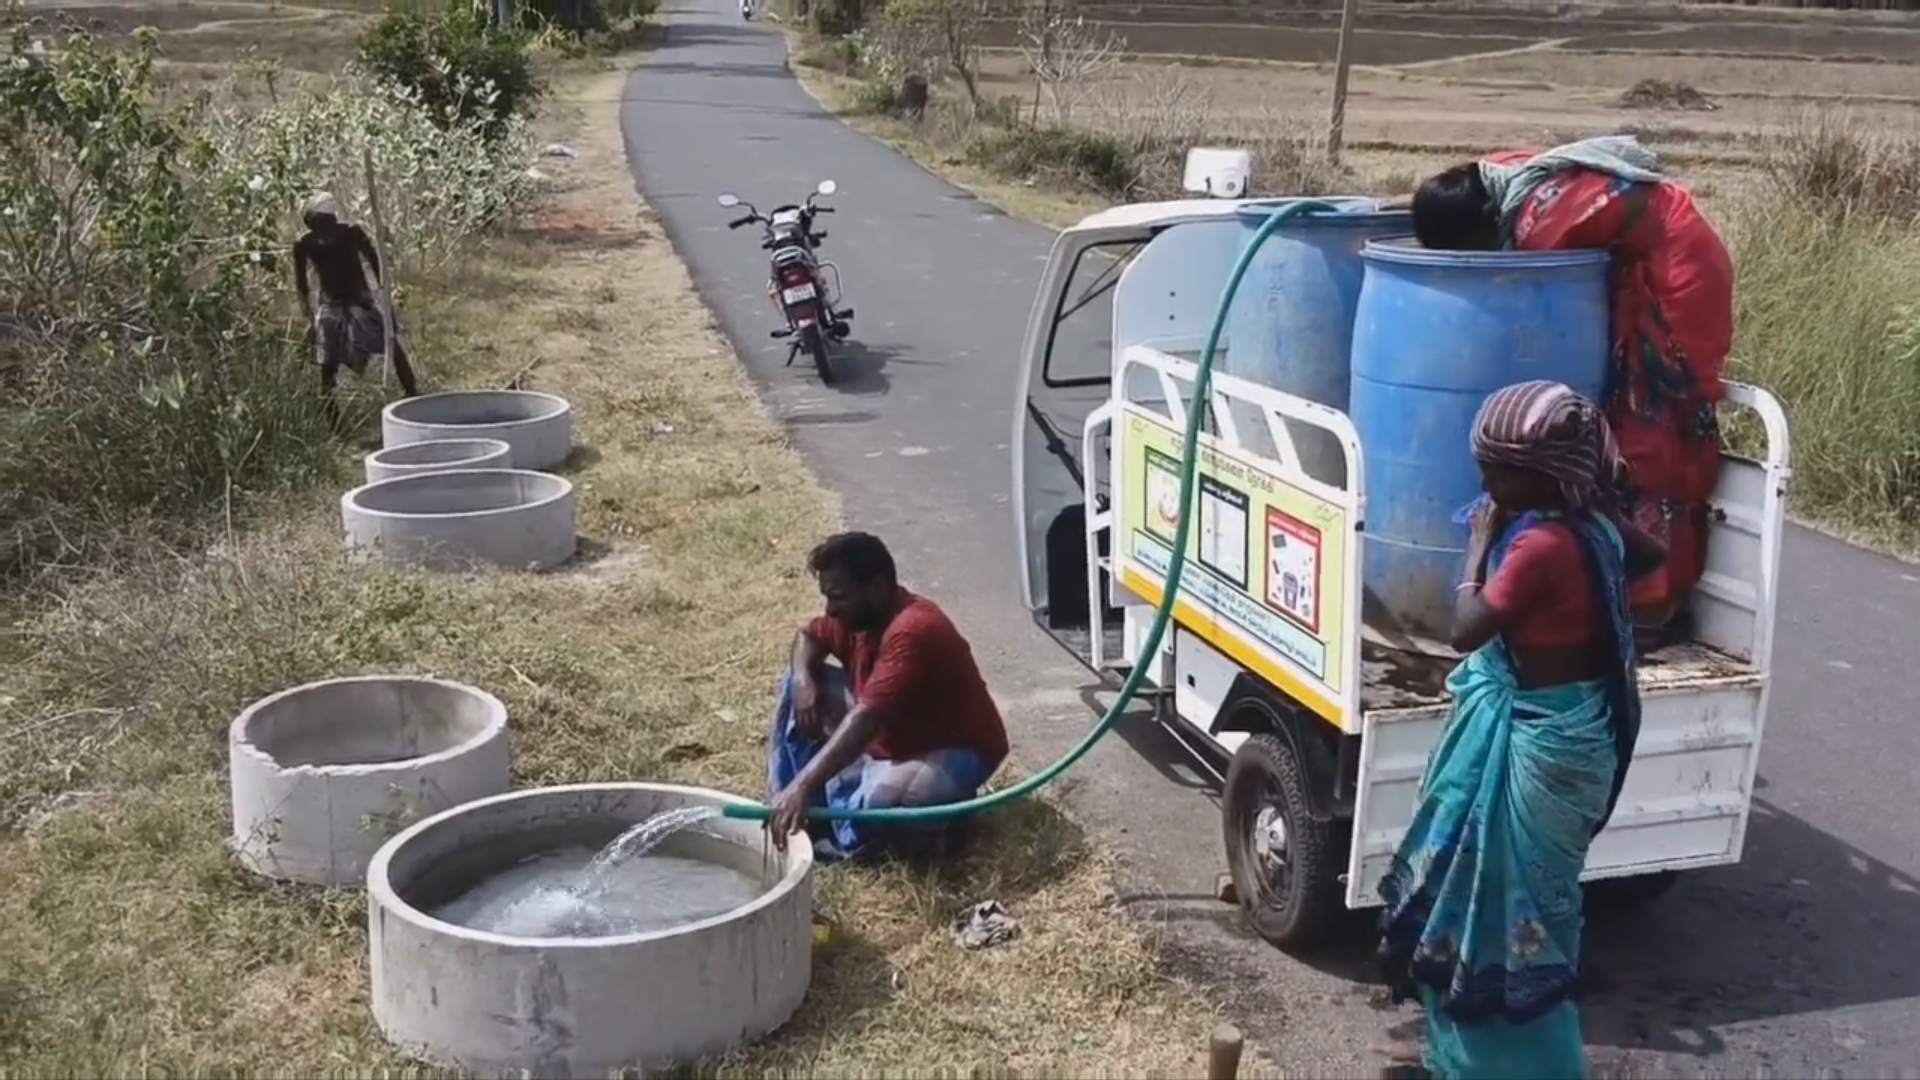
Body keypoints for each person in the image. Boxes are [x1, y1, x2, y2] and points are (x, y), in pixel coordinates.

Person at [1375, 380, 1667, 1080]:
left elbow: (1463, 632)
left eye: (1497, 469)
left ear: (1544, 475)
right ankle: (1461, 1062)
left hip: (1537, 742)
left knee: (1512, 921)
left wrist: (1476, 551)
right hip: (1576, 731)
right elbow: (1651, 558)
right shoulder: (1592, 527)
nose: (1483, 481)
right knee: (1527, 908)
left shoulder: (1538, 545)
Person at [1403, 135, 1731, 648]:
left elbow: (1523, 293)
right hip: (1641, 268)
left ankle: (1653, 611)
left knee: (1657, 434)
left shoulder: (1543, 222)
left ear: (1484, 225)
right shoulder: (1500, 179)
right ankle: (1634, 593)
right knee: (1626, 422)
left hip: (1679, 276)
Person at [765, 531, 1011, 862]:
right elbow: (808, 636)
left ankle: (935, 822)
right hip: (890, 735)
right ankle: (797, 811)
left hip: (950, 748)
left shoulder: (913, 629)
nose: (830, 610)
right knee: (799, 685)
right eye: (827, 598)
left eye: (838, 597)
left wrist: (804, 786)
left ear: (877, 589)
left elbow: (866, 718)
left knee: (888, 802)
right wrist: (802, 678)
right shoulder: (855, 617)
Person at [292, 191, 420, 423]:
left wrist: (385, 301)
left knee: (392, 346)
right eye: (317, 225)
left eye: (325, 223)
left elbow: (377, 264)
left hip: (359, 301)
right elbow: (301, 285)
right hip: (330, 306)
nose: (323, 230)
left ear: (332, 219)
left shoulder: (351, 233)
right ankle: (334, 426)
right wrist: (309, 318)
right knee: (327, 366)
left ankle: (414, 397)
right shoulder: (304, 244)